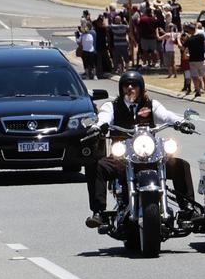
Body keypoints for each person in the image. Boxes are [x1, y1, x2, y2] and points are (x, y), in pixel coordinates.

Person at [84, 71, 196, 228]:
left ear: (141, 88)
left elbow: (167, 116)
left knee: (181, 165)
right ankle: (98, 213)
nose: (130, 88)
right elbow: (104, 117)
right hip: (121, 158)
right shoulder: (112, 106)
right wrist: (98, 126)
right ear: (121, 87)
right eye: (126, 85)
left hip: (151, 157)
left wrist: (181, 122)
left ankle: (188, 209)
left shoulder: (151, 105)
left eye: (134, 85)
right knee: (96, 166)